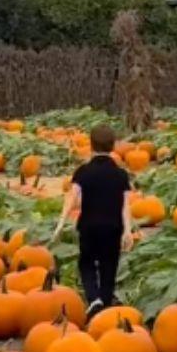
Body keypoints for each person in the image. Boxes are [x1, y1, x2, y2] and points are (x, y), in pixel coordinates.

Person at [52, 125, 136, 316]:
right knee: (109, 265)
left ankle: (93, 298)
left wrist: (61, 223)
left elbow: (71, 199)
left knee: (86, 263)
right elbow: (125, 205)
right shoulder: (120, 175)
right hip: (113, 227)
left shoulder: (83, 172)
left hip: (89, 226)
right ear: (113, 146)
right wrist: (127, 230)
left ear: (91, 145)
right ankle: (104, 304)